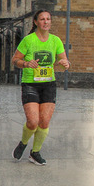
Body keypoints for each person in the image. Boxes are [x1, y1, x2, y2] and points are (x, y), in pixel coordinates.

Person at [11, 9, 70, 166]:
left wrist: (64, 64)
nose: (45, 22)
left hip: (48, 84)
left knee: (44, 122)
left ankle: (35, 152)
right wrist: (26, 63)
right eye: (42, 19)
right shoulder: (28, 40)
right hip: (30, 84)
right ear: (36, 22)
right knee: (33, 122)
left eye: (48, 19)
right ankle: (23, 143)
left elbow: (63, 61)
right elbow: (15, 60)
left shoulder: (56, 41)